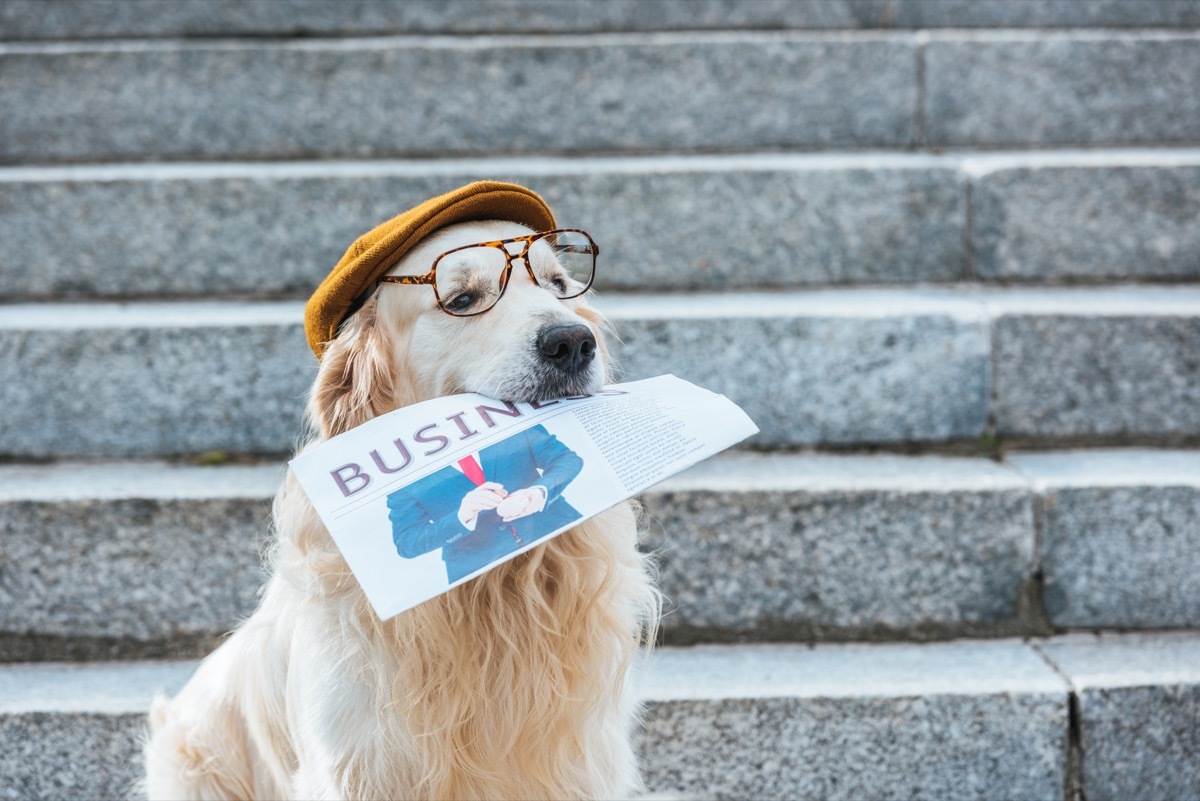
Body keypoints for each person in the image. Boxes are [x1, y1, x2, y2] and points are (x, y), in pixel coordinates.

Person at [386, 424, 584, 584]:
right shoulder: (399, 470)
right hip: (481, 577)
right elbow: (407, 542)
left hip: (563, 541)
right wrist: (461, 518)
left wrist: (539, 492)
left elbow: (566, 459)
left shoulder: (503, 417)